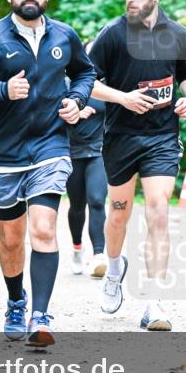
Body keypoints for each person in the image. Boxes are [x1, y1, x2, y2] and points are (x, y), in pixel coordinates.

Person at [0, 0, 95, 348]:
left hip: (51, 145)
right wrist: (1, 91)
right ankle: (17, 300)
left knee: (44, 229)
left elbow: (85, 72)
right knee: (12, 239)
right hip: (3, 153)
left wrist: (76, 100)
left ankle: (40, 316)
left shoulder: (64, 35)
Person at [88, 0, 186, 331]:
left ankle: (155, 301)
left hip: (162, 137)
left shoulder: (178, 34)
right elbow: (84, 81)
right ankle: (114, 267)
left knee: (158, 209)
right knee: (118, 212)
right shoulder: (113, 34)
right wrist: (122, 98)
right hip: (121, 137)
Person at [65, 62, 108, 278]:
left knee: (97, 200)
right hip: (72, 153)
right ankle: (76, 248)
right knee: (77, 206)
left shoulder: (108, 88)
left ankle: (99, 255)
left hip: (98, 151)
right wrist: (75, 113)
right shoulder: (67, 84)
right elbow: (49, 113)